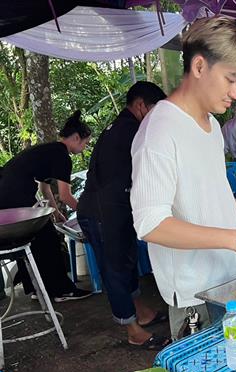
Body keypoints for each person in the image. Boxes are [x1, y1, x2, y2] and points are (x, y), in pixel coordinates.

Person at [130, 17, 236, 339]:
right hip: (196, 295)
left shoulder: (212, 126)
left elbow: (205, 193)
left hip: (234, 278)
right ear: (199, 66)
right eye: (231, 79)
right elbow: (151, 224)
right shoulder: (159, 131)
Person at [77, 82, 170, 350]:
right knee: (115, 268)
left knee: (127, 261)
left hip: (115, 208)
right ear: (141, 105)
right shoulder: (130, 130)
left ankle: (141, 311)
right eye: (154, 109)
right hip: (103, 212)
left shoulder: (123, 127)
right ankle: (133, 330)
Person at [0, 111, 93, 302]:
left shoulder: (50, 150)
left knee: (34, 239)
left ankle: (38, 288)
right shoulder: (61, 156)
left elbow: (44, 186)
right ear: (76, 138)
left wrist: (56, 211)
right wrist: (88, 213)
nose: (84, 148)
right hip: (13, 194)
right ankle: (61, 290)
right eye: (85, 143)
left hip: (7, 193)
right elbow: (66, 196)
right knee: (48, 237)